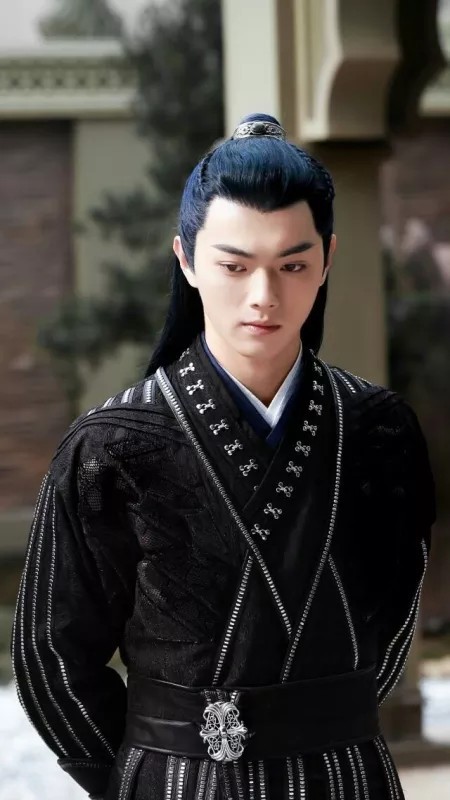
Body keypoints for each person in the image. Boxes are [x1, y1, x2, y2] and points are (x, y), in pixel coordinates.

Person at [11, 113, 435, 800]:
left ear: (327, 258)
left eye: (293, 265)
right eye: (234, 266)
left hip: (344, 774)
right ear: (186, 259)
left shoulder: (380, 430)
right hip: (175, 782)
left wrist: (322, 716)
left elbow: (392, 620)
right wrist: (143, 773)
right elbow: (51, 659)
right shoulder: (111, 446)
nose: (263, 297)